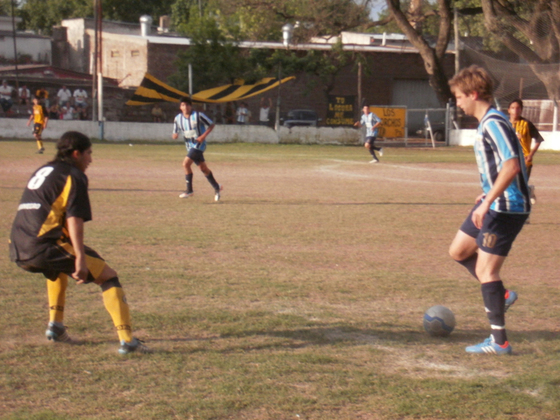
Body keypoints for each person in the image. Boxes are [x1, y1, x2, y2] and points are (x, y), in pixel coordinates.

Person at [8, 131, 149, 354]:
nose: (90, 160)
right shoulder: (74, 175)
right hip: (42, 246)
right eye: (89, 153)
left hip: (17, 245)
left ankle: (55, 327)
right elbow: (74, 219)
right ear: (76, 154)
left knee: (57, 268)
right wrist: (81, 260)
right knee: (108, 276)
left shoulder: (44, 170)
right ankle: (128, 341)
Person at [448, 65, 531, 355]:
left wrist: (488, 202)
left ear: (473, 94)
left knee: (486, 270)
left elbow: (512, 166)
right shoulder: (487, 123)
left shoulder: (494, 122)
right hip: (495, 201)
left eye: (459, 96)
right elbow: (503, 168)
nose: (457, 102)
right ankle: (502, 295)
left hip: (507, 208)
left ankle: (500, 343)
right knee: (459, 251)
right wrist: (487, 193)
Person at [172, 97, 223, 201]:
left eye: (187, 105)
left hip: (199, 145)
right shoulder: (178, 118)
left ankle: (189, 190)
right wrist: (175, 134)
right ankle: (217, 187)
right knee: (203, 168)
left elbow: (211, 125)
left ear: (191, 106)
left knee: (185, 164)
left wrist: (203, 136)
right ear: (180, 107)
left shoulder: (198, 116)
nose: (185, 107)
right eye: (183, 105)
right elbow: (175, 131)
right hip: (189, 146)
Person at [507, 98, 543, 206]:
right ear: (508, 110)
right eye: (513, 108)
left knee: (520, 188)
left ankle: (524, 215)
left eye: (518, 108)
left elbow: (539, 140)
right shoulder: (505, 124)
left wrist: (531, 155)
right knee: (510, 187)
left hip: (524, 161)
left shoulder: (526, 124)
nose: (515, 111)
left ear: (521, 110)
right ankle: (528, 190)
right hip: (509, 160)